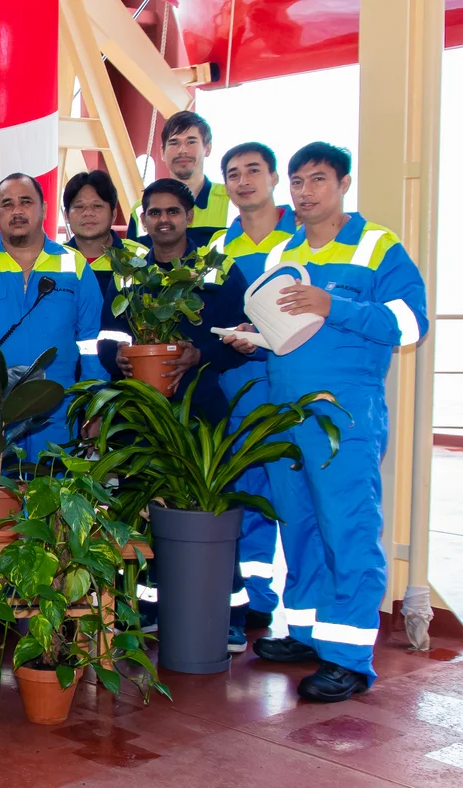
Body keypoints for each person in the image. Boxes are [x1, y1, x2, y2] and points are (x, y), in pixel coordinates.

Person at [235, 143, 427, 702]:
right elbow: (283, 333)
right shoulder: (283, 255)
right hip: (285, 413)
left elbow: (411, 324)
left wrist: (331, 305)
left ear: (343, 184)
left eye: (317, 180)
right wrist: (253, 340)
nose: (304, 192)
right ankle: (306, 631)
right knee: (299, 525)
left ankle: (348, 656)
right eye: (297, 182)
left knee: (348, 529)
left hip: (344, 416)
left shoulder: (376, 247)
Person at [0, 173, 104, 467]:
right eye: (7, 204)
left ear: (43, 208)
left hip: (59, 415)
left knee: (55, 504)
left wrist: (95, 407)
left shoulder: (75, 266)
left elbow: (91, 346)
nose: (17, 211)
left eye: (25, 202)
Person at [209, 142, 299, 644]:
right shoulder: (220, 250)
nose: (243, 182)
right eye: (233, 174)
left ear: (273, 177)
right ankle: (257, 601)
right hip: (239, 384)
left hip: (293, 383)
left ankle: (302, 616)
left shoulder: (301, 240)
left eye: (253, 171)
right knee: (247, 494)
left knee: (296, 499)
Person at [112, 179, 250, 422]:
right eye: (155, 213)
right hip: (138, 413)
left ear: (189, 217)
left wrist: (201, 355)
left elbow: (242, 337)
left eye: (173, 211)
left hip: (200, 411)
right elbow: (108, 335)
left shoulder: (218, 268)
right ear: (143, 221)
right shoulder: (128, 273)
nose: (163, 219)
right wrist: (116, 355)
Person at [61, 170, 149, 379]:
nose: (88, 213)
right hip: (67, 379)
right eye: (79, 207)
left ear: (113, 213)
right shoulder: (52, 261)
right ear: (66, 215)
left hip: (128, 376)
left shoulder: (138, 259)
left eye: (97, 206)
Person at [126, 111, 234, 247]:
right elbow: (130, 264)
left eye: (191, 142)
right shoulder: (141, 209)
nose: (182, 150)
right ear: (162, 152)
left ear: (207, 148)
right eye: (174, 143)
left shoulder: (232, 201)